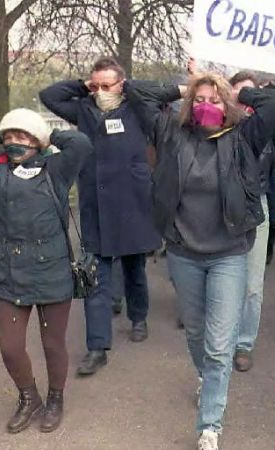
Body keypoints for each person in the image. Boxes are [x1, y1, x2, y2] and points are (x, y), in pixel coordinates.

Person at [127, 72, 275, 450]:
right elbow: (137, 91)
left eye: (214, 100)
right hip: (184, 252)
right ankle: (206, 374)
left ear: (228, 106)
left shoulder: (243, 137)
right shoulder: (171, 132)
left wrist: (238, 90)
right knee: (196, 333)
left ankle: (209, 425)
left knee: (220, 346)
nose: (207, 106)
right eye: (200, 100)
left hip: (228, 254)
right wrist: (186, 87)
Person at [0, 108, 92, 435]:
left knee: (53, 343)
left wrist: (43, 133)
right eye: (11, 137)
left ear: (38, 141)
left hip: (51, 265)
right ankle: (30, 398)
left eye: (24, 137)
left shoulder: (55, 168)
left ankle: (56, 398)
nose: (17, 142)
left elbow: (81, 144)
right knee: (10, 347)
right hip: (10, 268)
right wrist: (4, 134)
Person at [39, 57, 162, 377]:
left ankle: (139, 317)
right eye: (97, 86)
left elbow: (164, 95)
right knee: (95, 274)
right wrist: (84, 85)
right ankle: (97, 347)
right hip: (96, 202)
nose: (101, 92)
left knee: (134, 266)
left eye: (108, 86)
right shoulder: (83, 108)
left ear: (122, 85)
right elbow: (50, 96)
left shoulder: (137, 109)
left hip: (132, 201)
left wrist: (131, 89)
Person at [227, 70, 272, 372]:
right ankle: (221, 340)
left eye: (249, 94)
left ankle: (243, 344)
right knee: (221, 278)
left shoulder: (262, 128)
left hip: (255, 207)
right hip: (218, 208)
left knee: (252, 285)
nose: (243, 101)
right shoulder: (217, 123)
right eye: (237, 93)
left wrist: (246, 95)